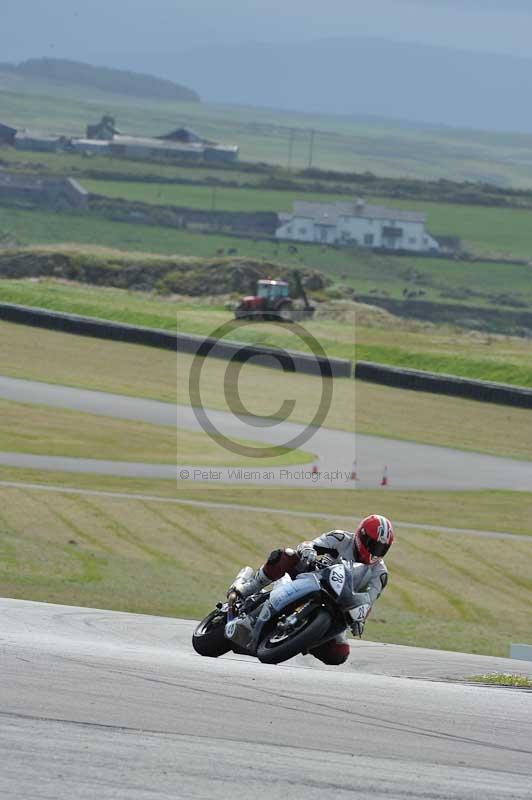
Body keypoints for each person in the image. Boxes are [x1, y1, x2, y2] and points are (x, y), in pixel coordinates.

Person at [228, 514, 394, 665]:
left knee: (339, 653)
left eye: (381, 548)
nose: (375, 551)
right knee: (285, 555)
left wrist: (360, 619)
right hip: (311, 576)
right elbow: (311, 544)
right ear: (361, 536)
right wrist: (309, 550)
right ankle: (247, 588)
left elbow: (368, 600)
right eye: (373, 545)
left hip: (339, 604)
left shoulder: (380, 574)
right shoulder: (341, 538)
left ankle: (299, 639)